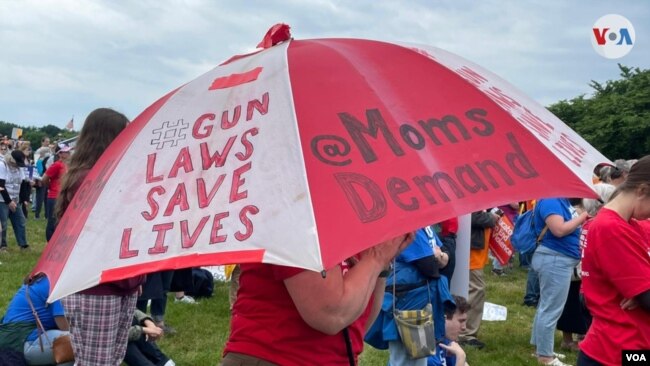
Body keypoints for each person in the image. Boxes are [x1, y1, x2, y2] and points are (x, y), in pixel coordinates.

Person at [221, 232, 414, 365]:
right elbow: (330, 314)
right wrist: (376, 258)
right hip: (274, 358)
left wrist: (381, 263)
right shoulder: (299, 207)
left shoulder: (344, 223)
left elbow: (358, 322)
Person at [59, 108, 145, 365]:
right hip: (96, 286)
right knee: (96, 361)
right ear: (109, 137)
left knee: (111, 359)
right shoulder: (88, 179)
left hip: (120, 281)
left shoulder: (111, 175)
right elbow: (103, 230)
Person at [578, 156, 650, 366]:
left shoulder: (632, 225)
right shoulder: (611, 229)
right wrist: (642, 292)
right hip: (617, 351)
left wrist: (641, 290)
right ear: (642, 191)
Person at [365, 227, 453, 366]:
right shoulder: (412, 226)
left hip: (419, 301)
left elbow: (446, 258)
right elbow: (429, 266)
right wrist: (440, 258)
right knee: (404, 358)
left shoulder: (425, 225)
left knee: (418, 356)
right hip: (408, 303)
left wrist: (440, 257)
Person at [556, 184, 615, 352]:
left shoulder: (581, 218)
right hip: (581, 271)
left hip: (577, 270)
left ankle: (578, 340)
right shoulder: (599, 224)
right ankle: (587, 343)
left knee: (573, 305)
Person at [530, 197, 588, 366]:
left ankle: (540, 348)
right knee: (551, 309)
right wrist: (582, 217)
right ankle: (545, 357)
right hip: (555, 259)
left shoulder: (560, 201)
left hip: (557, 259)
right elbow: (559, 230)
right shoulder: (551, 200)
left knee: (546, 306)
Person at [0, 274, 73, 366]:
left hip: (9, 341)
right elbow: (63, 325)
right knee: (75, 346)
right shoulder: (58, 283)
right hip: (23, 341)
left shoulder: (43, 279)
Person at [459, 210, 498, 350]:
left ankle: (462, 332)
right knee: (475, 289)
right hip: (470, 251)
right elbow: (471, 216)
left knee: (469, 289)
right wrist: (491, 218)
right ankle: (466, 334)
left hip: (472, 250)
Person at [0, 150, 30, 251]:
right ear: (12, 160)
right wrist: (9, 202)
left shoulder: (19, 168)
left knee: (20, 221)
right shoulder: (2, 165)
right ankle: (2, 246)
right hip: (2, 200)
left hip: (15, 199)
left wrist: (25, 199)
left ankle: (23, 244)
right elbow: (1, 186)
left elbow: (22, 184)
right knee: (3, 223)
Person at [428, 295, 470, 366]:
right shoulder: (428, 357)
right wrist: (461, 357)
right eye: (461, 321)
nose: (464, 327)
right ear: (443, 319)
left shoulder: (446, 342)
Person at [41, 144, 71, 242]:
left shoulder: (67, 165)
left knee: (61, 220)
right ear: (60, 154)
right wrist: (50, 187)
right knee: (52, 220)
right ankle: (50, 242)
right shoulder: (57, 164)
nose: (69, 153)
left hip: (63, 196)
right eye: (66, 152)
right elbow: (45, 178)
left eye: (68, 151)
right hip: (54, 196)